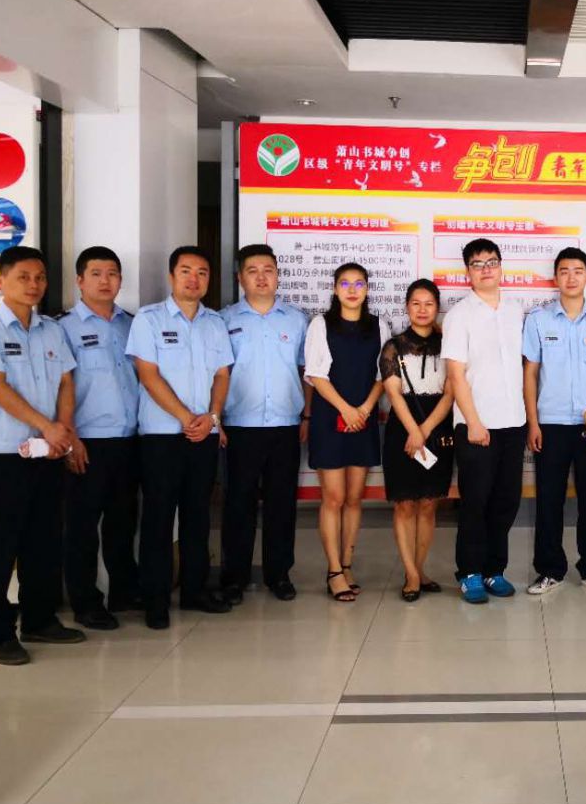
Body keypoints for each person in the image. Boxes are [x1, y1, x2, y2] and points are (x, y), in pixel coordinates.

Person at [0, 246, 84, 665]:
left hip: (48, 452)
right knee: (0, 546)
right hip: (4, 452)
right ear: (1, 280)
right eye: (23, 277)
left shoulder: (52, 330)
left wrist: (62, 431)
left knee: (44, 540)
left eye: (40, 278)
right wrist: (46, 426)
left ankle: (39, 619)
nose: (33, 285)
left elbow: (66, 383)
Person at [126, 245, 234, 629]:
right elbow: (148, 374)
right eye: (186, 271)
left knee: (198, 516)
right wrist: (187, 417)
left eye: (202, 272)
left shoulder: (215, 323)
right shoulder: (149, 319)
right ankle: (155, 599)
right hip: (161, 437)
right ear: (172, 276)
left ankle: (194, 590)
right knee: (158, 518)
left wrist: (213, 417)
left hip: (204, 435)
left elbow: (222, 374)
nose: (194, 279)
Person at [522, 247, 586, 596]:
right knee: (549, 501)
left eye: (578, 271)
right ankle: (549, 569)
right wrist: (533, 422)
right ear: (556, 277)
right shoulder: (538, 320)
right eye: (564, 271)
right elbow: (530, 373)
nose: (571, 277)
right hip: (550, 423)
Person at [218, 244, 309, 604]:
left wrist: (306, 415)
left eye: (268, 270)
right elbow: (217, 374)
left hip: (285, 425)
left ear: (277, 275)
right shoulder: (224, 320)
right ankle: (234, 577)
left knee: (281, 504)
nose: (261, 277)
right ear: (240, 277)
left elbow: (305, 372)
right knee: (237, 504)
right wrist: (216, 418)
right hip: (239, 426)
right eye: (252, 270)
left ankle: (279, 574)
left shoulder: (296, 319)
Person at [57, 245, 142, 631]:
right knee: (82, 527)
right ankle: (85, 602)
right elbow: (60, 387)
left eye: (112, 274)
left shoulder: (132, 324)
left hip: (129, 438)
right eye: (96, 273)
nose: (105, 281)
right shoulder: (63, 328)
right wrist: (70, 438)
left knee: (123, 521)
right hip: (87, 440)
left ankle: (124, 591)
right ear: (79, 280)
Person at [442, 238, 527, 604]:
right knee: (475, 502)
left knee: (506, 501)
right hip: (477, 425)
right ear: (468, 272)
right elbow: (456, 375)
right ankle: (470, 572)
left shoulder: (515, 310)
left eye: (491, 261)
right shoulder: (459, 315)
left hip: (514, 421)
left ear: (501, 266)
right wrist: (474, 423)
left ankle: (495, 569)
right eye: (477, 264)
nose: (486, 269)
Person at [304, 261, 391, 603]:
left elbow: (383, 375)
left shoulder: (378, 326)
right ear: (335, 289)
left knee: (355, 498)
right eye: (345, 284)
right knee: (334, 498)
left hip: (363, 418)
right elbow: (316, 375)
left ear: (367, 289)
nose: (352, 290)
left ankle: (347, 564)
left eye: (358, 284)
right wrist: (346, 409)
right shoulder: (321, 324)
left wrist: (365, 409)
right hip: (330, 418)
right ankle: (333, 570)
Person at [379, 279, 454, 601]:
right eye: (416, 303)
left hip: (437, 426)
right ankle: (410, 574)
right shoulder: (393, 346)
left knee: (428, 504)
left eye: (429, 304)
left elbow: (451, 393)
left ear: (437, 308)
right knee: (405, 503)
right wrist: (413, 431)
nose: (422, 310)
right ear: (407, 307)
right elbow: (393, 394)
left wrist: (424, 431)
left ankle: (420, 570)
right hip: (402, 428)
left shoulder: (449, 345)